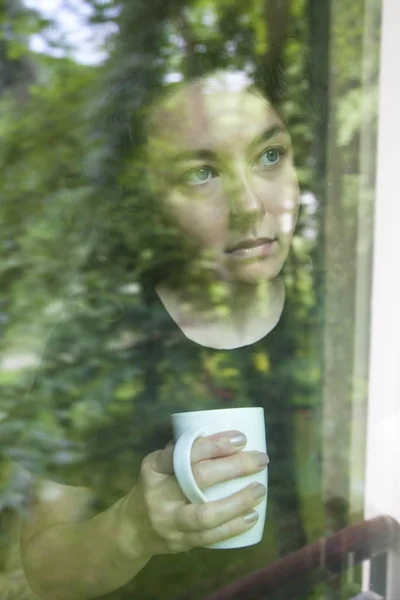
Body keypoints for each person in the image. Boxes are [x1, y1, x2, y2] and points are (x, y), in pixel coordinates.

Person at [19, 70, 301, 600]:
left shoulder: (351, 313)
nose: (248, 204)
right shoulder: (98, 344)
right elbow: (45, 571)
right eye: (201, 172)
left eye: (269, 155)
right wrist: (132, 530)